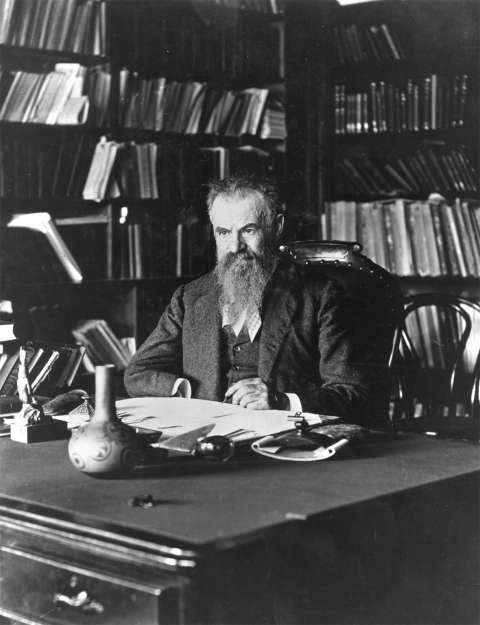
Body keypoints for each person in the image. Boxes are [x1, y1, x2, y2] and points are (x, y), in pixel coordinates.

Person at [124, 175, 373, 422]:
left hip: (284, 443)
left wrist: (283, 402)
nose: (235, 246)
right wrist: (186, 391)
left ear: (277, 227)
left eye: (249, 230)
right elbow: (138, 373)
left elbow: (354, 394)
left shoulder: (321, 296)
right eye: (223, 232)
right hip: (208, 439)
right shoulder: (190, 297)